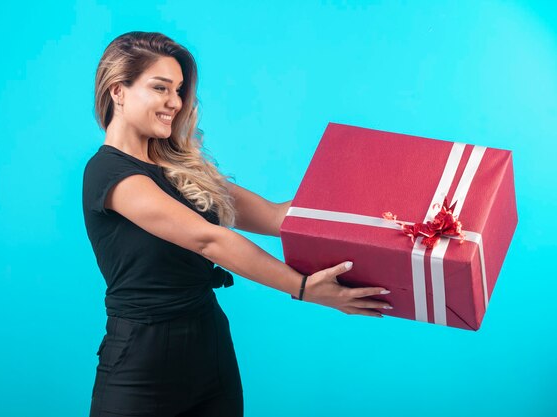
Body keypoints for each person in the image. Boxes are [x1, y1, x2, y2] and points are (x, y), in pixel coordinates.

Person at [82, 31, 392, 417]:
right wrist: (303, 288)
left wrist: (383, 209)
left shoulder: (181, 170)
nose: (175, 103)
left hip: (209, 346)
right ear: (117, 90)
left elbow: (278, 217)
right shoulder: (108, 173)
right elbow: (207, 240)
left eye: (179, 90)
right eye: (160, 88)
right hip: (141, 359)